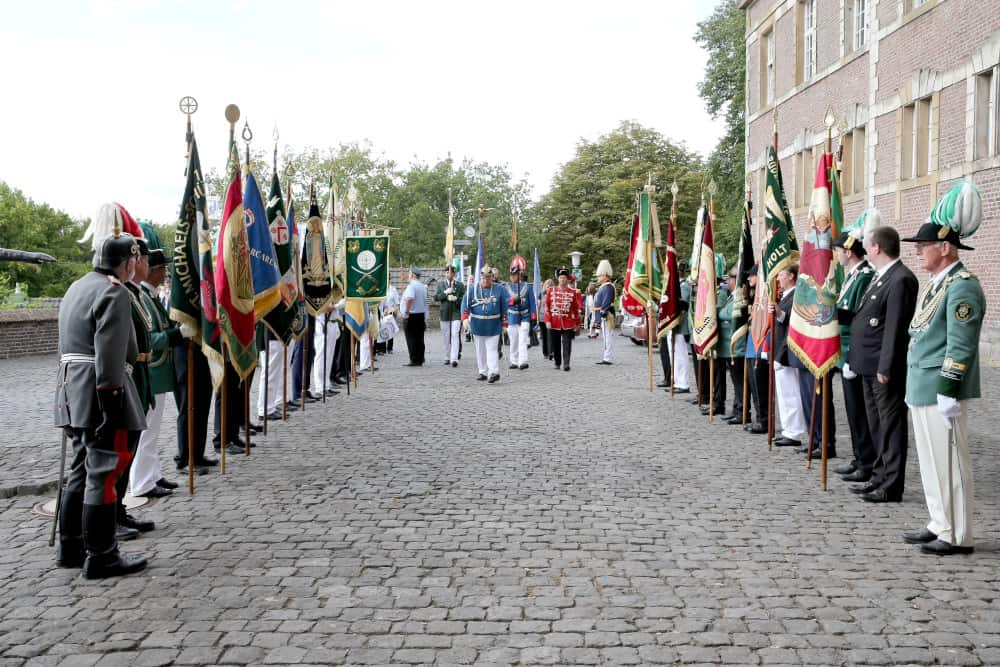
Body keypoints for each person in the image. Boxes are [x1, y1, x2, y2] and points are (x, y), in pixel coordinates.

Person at [54, 227, 147, 578]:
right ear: (126, 263)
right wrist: (111, 404)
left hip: (70, 390)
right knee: (104, 472)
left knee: (80, 469)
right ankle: (102, 555)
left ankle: (71, 546)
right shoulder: (115, 293)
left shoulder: (76, 287)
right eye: (135, 259)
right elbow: (109, 356)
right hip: (100, 390)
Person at [901, 182, 985, 555]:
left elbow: (960, 343)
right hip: (921, 384)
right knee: (932, 463)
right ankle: (939, 522)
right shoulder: (938, 284)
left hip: (941, 387)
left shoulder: (962, 286)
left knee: (950, 463)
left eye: (925, 244)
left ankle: (958, 533)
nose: (919, 250)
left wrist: (949, 388)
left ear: (946, 247)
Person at [847, 225, 918, 503]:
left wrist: (885, 367)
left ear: (877, 247)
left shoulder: (900, 279)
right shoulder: (881, 277)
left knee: (890, 425)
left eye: (867, 244)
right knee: (876, 424)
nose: (865, 248)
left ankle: (891, 484)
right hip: (867, 364)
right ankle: (878, 475)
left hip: (882, 367)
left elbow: (895, 329)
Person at [129, 248, 182, 500]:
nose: (164, 272)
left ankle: (152, 474)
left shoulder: (147, 296)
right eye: (161, 268)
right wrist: (175, 335)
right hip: (152, 372)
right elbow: (150, 339)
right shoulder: (143, 298)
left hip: (158, 373)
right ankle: (141, 482)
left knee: (154, 429)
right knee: (147, 430)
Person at [832, 216, 877, 481]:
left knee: (860, 411)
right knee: (852, 410)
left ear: (848, 251)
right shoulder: (853, 275)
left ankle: (866, 461)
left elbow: (857, 316)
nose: (836, 256)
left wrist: (831, 312)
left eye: (838, 251)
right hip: (844, 350)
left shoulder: (865, 275)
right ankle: (859, 456)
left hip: (854, 350)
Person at [771, 265, 807, 448]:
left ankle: (794, 430)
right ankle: (788, 428)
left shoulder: (796, 296)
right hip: (779, 350)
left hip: (786, 351)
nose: (778, 279)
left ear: (792, 276)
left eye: (781, 275)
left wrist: (780, 354)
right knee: (784, 394)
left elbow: (793, 325)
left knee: (791, 393)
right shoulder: (784, 295)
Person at [461, 265, 506, 383]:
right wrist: (465, 318)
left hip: (494, 324)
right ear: (480, 278)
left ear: (492, 278)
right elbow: (465, 304)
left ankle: (494, 372)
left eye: (488, 278)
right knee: (480, 350)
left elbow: (504, 306)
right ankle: (483, 371)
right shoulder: (472, 289)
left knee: (492, 349)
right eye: (483, 278)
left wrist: (505, 323)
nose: (485, 281)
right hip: (478, 324)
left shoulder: (499, 289)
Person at [717, 267, 745, 424]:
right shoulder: (731, 297)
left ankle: (742, 411)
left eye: (730, 278)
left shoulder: (739, 297)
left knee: (740, 382)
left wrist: (722, 314)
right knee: (735, 380)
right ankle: (736, 409)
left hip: (736, 345)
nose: (727, 281)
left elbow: (728, 314)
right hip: (728, 345)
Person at [743, 266, 769, 433]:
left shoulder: (765, 295)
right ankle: (760, 418)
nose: (748, 279)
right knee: (754, 386)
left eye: (751, 276)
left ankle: (764, 420)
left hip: (761, 346)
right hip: (752, 345)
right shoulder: (754, 296)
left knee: (761, 387)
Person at [546, 268, 581, 371]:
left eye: (564, 277)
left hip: (568, 322)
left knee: (567, 343)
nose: (562, 279)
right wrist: (548, 320)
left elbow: (575, 309)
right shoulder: (551, 291)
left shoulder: (572, 292)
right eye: (561, 277)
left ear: (567, 279)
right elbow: (547, 306)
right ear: (558, 279)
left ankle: (566, 363)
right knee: (556, 343)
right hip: (554, 321)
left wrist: (578, 324)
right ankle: (557, 362)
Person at [505, 261, 537, 370]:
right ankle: (513, 361)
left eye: (515, 275)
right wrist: (513, 301)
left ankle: (522, 361)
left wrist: (533, 316)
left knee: (523, 339)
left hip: (525, 316)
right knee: (513, 340)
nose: (513, 277)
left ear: (519, 275)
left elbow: (532, 302)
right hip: (513, 317)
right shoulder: (507, 287)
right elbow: (505, 301)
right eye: (512, 275)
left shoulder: (527, 287)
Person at [435, 264, 465, 367]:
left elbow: (463, 299)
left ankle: (454, 358)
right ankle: (447, 356)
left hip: (456, 313)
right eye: (447, 272)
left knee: (455, 335)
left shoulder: (460, 285)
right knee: (446, 336)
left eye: (451, 272)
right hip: (445, 313)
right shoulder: (440, 284)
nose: (449, 274)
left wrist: (456, 299)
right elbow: (436, 298)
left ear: (454, 273)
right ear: (445, 273)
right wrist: (444, 293)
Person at [400, 267, 427, 366]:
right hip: (420, 315)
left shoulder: (411, 286)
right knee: (420, 338)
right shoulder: (422, 286)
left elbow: (410, 299)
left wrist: (406, 311)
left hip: (411, 316)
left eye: (409, 273)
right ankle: (420, 358)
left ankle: (414, 359)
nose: (408, 275)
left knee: (411, 338)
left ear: (412, 275)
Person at [593, 260, 616, 365]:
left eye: (600, 275)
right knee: (606, 336)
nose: (599, 277)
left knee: (607, 337)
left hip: (607, 315)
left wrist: (603, 312)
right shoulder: (604, 287)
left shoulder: (608, 287)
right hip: (603, 313)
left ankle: (607, 357)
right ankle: (606, 356)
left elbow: (606, 301)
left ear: (606, 276)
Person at [538, 279, 553, 360]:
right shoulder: (541, 294)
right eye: (547, 286)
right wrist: (536, 317)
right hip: (542, 317)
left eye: (550, 286)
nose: (548, 288)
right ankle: (545, 352)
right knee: (544, 336)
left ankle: (551, 352)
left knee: (550, 335)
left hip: (551, 318)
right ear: (545, 286)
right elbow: (539, 305)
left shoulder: (553, 295)